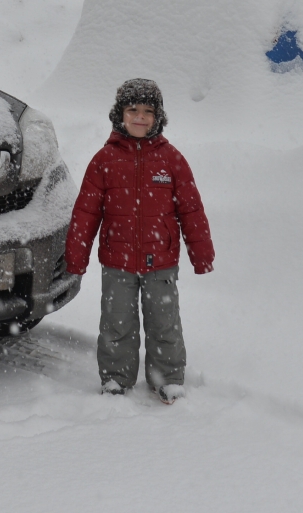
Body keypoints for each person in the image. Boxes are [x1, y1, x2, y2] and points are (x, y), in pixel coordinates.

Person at [64, 78, 214, 404]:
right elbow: (86, 213)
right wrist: (76, 257)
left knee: (165, 324)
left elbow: (191, 210)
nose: (141, 118)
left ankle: (168, 379)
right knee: (117, 325)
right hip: (117, 262)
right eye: (133, 110)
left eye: (148, 111)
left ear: (158, 116)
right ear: (120, 114)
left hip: (161, 260)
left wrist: (201, 255)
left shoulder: (171, 160)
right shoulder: (104, 160)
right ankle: (116, 379)